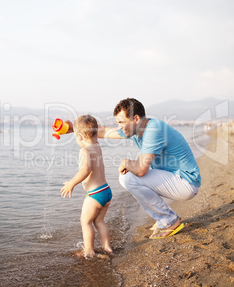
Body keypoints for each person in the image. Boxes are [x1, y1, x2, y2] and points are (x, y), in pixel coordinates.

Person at [66, 98, 201, 239]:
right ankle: (163, 218)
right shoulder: (137, 129)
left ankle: (169, 220)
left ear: (135, 118)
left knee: (128, 177)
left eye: (121, 122)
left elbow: (141, 170)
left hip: (186, 183)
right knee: (130, 176)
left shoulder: (153, 131)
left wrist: (126, 162)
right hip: (175, 179)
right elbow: (103, 131)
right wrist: (74, 129)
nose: (119, 127)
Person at [60, 115, 113, 258]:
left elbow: (85, 170)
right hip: (106, 191)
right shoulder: (97, 146)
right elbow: (87, 130)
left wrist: (72, 183)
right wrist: (74, 129)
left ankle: (89, 250)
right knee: (99, 221)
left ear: (80, 136)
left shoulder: (85, 151)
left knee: (85, 222)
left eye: (76, 137)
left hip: (95, 194)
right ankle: (107, 248)